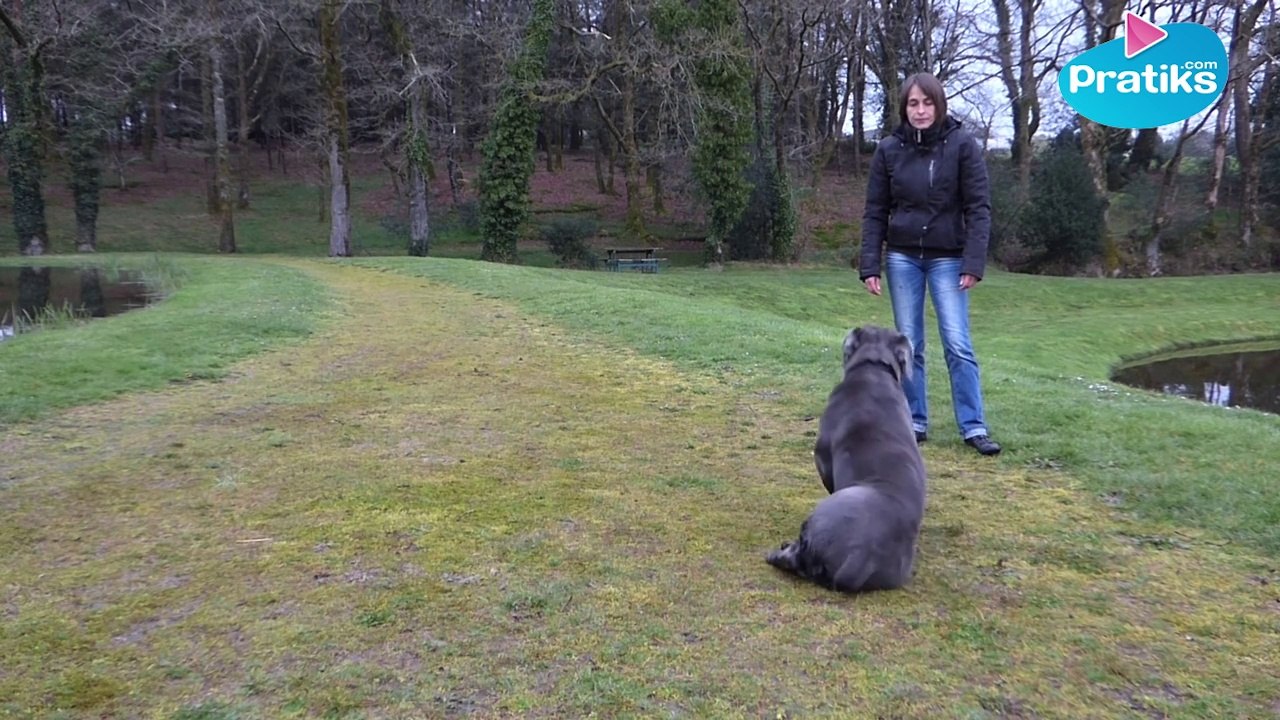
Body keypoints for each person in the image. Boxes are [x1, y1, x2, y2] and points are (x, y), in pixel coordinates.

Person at [858, 72, 1002, 456]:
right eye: (913, 104)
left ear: (939, 105)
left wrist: (973, 261)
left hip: (949, 259)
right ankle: (914, 421)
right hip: (903, 257)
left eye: (927, 103)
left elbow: (979, 208)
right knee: (910, 344)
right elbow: (875, 211)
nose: (920, 111)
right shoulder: (888, 149)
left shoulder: (963, 146)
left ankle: (973, 426)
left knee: (958, 343)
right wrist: (869, 264)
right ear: (904, 108)